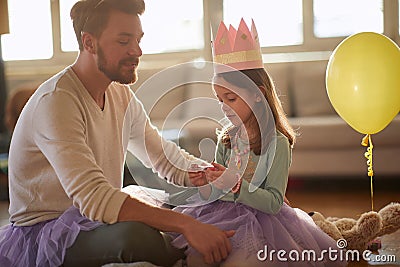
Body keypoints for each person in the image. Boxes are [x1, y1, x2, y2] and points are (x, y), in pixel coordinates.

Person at [0, 0, 235, 266]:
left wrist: (219, 178)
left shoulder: (119, 92)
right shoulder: (56, 101)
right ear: (89, 43)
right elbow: (94, 197)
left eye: (138, 39)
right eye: (124, 41)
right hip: (47, 233)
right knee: (138, 237)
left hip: (92, 219)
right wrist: (186, 225)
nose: (137, 51)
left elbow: (162, 156)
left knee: (188, 207)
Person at [170, 19, 347, 266]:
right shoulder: (227, 140)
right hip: (221, 216)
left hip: (263, 223)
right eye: (219, 99)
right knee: (198, 256)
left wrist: (236, 185)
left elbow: (274, 202)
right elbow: (218, 193)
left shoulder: (277, 144)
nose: (223, 107)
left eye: (230, 98)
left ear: (257, 94)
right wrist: (208, 182)